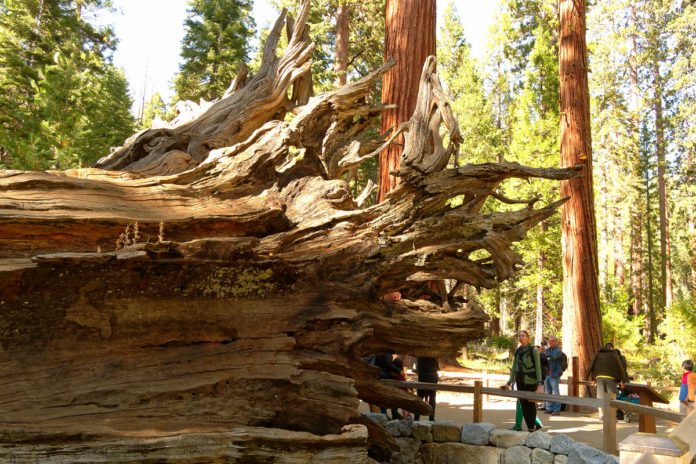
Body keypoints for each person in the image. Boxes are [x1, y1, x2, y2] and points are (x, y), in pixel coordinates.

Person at [501, 330, 544, 432]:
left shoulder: (533, 351)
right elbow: (514, 368)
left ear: (528, 338)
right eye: (519, 336)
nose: (521, 338)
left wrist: (539, 384)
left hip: (531, 382)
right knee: (524, 406)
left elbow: (538, 368)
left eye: (523, 336)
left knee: (531, 406)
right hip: (520, 382)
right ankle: (530, 427)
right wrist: (508, 383)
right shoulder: (518, 351)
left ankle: (531, 428)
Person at [585, 343, 628, 420]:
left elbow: (592, 365)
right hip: (610, 378)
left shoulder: (598, 354)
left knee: (600, 397)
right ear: (611, 348)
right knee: (612, 397)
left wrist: (590, 377)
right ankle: (612, 416)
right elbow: (620, 368)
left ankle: (601, 415)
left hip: (599, 378)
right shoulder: (614, 355)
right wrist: (623, 380)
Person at [375, 353, 403, 419]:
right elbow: (388, 363)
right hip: (386, 375)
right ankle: (394, 413)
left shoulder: (380, 351)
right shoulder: (387, 352)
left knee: (383, 396)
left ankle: (384, 414)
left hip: (380, 375)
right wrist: (399, 371)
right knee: (393, 395)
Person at [413, 357, 439, 421]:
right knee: (431, 397)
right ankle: (431, 418)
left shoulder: (421, 350)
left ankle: (416, 418)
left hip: (423, 373)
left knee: (420, 397)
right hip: (431, 373)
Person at [544, 336, 564, 416]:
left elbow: (554, 356)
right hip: (548, 374)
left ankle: (556, 409)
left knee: (556, 392)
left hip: (555, 374)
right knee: (548, 392)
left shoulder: (558, 350)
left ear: (556, 342)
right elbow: (544, 360)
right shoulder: (548, 350)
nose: (550, 343)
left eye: (552, 341)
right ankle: (550, 408)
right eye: (549, 341)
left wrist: (547, 352)